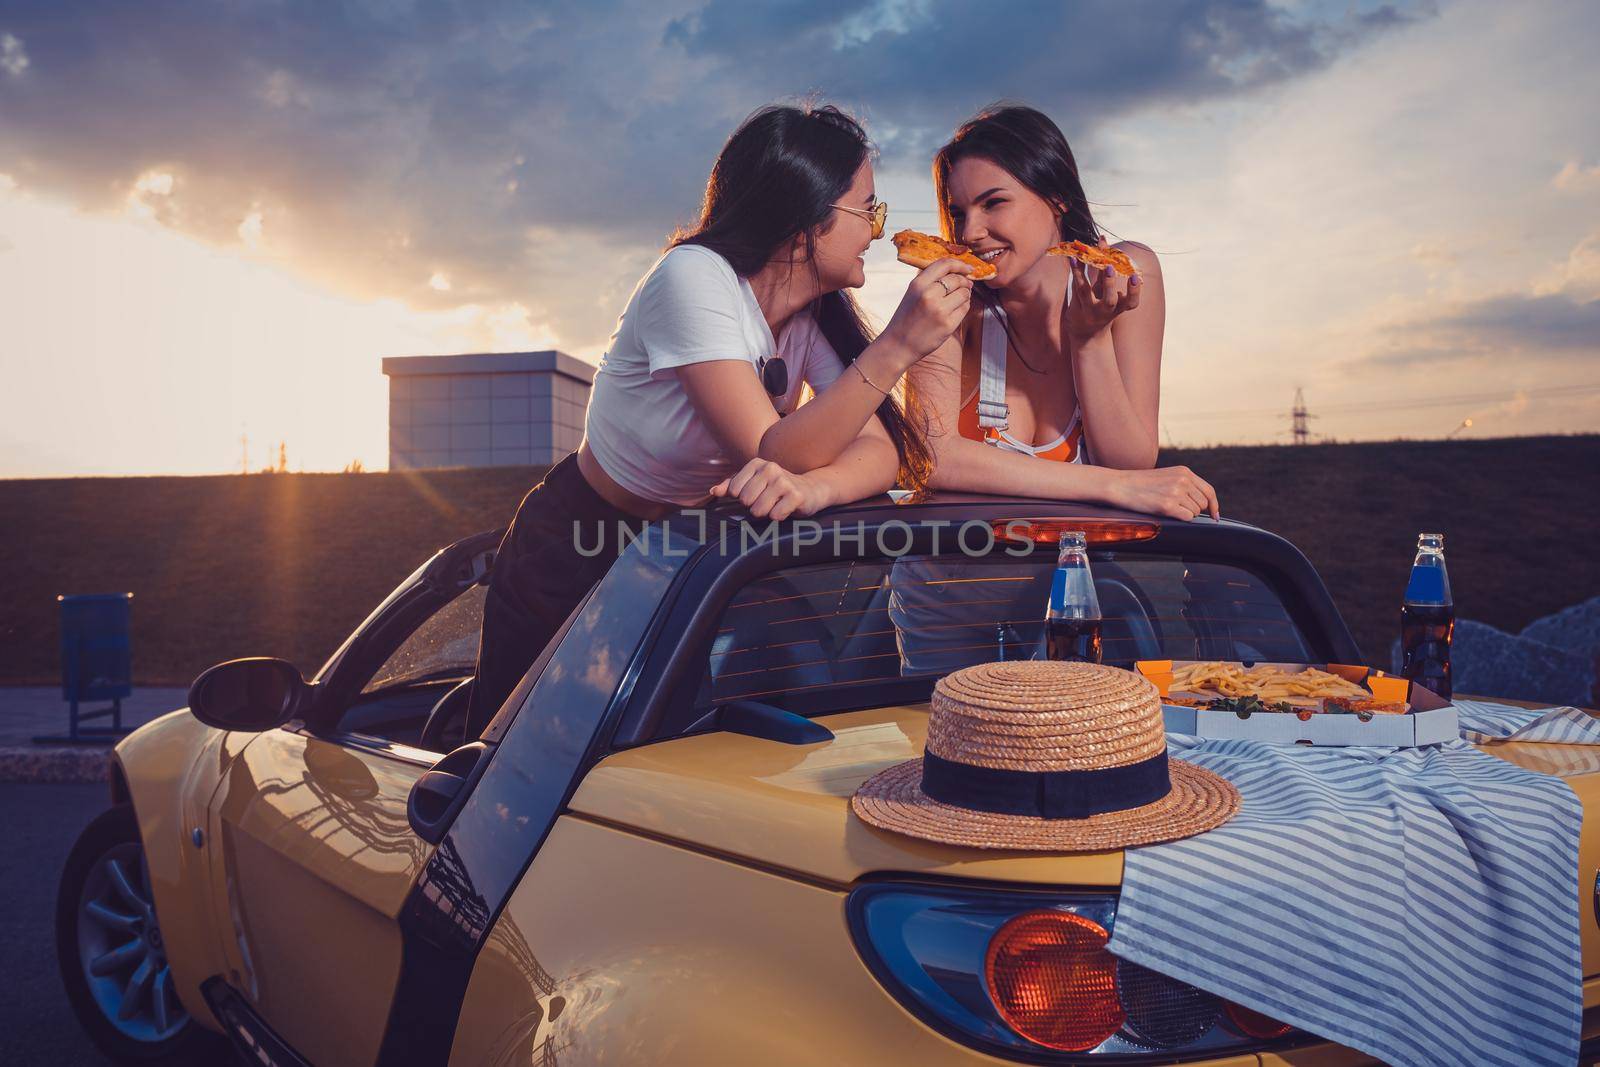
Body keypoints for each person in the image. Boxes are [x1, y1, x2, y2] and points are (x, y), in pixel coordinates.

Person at [464, 103, 975, 739]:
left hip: (683, 553)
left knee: (651, 756)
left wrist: (816, 489)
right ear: (803, 222)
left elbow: (880, 453)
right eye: (867, 209)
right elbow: (773, 447)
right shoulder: (693, 277)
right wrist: (898, 345)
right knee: (507, 763)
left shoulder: (810, 316)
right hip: (579, 543)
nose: (876, 230)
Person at [905, 104, 1220, 521]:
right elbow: (930, 459)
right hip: (949, 580)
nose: (969, 233)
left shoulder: (1121, 275)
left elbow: (1130, 460)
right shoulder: (947, 295)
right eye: (959, 213)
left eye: (993, 203)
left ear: (1057, 197)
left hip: (1072, 579)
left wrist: (1089, 341)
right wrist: (1113, 487)